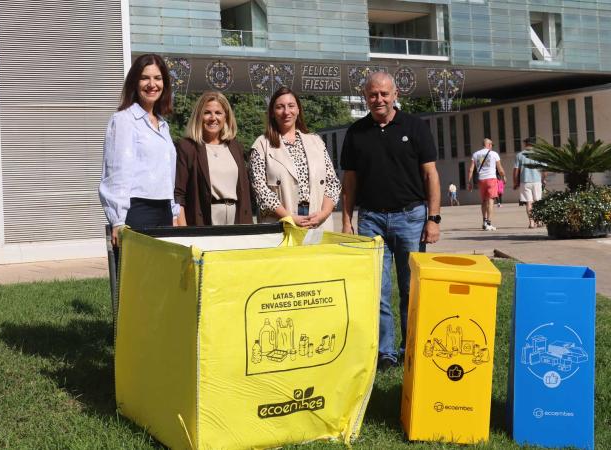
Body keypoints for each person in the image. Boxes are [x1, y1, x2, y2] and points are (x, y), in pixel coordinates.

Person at [340, 71, 441, 370]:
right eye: (373, 94)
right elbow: (350, 182)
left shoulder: (415, 127)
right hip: (371, 219)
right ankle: (386, 352)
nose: (379, 99)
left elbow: (430, 175)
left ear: (395, 94)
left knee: (410, 289)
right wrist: (346, 221)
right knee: (379, 289)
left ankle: (409, 346)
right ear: (365, 97)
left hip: (411, 217)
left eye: (384, 93)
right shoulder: (356, 133)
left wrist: (433, 219)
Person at [99, 53, 179, 247]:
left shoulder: (163, 125)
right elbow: (117, 173)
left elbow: (167, 174)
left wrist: (173, 213)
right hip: (137, 210)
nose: (152, 84)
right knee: (138, 276)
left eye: (157, 78)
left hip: (164, 211)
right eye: (145, 78)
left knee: (162, 275)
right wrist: (118, 220)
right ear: (135, 82)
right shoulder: (124, 120)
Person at [250, 87, 341, 230]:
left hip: (317, 220)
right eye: (280, 107)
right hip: (280, 221)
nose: (286, 112)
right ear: (272, 113)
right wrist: (289, 217)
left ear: (298, 110)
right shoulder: (261, 145)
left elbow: (332, 183)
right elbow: (261, 190)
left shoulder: (316, 142)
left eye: (291, 106)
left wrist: (323, 214)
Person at [174, 91, 253, 226]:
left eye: (218, 113)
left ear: (226, 117)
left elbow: (244, 190)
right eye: (207, 113)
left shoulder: (235, 147)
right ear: (199, 116)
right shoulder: (187, 147)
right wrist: (183, 231)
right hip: (204, 218)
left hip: (236, 218)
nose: (213, 118)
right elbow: (179, 194)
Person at [467, 138, 505, 231]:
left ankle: (484, 222)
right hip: (491, 178)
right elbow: (499, 168)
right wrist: (503, 176)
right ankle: (489, 223)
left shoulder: (476, 154)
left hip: (481, 180)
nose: (492, 147)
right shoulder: (494, 154)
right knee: (491, 201)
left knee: (484, 200)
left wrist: (469, 182)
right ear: (489, 145)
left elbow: (471, 169)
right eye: (491, 145)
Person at [514, 137, 548, 228]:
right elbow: (545, 169)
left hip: (525, 181)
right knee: (538, 201)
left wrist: (515, 182)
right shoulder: (540, 154)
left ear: (526, 144)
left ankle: (531, 222)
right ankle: (540, 221)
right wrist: (543, 179)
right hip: (537, 181)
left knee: (529, 202)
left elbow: (516, 170)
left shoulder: (520, 155)